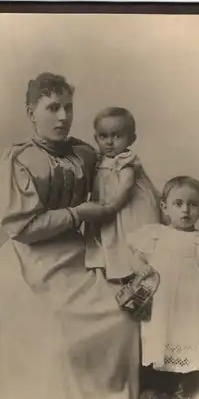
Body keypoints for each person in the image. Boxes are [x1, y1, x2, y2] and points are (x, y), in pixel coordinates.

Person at [0, 73, 140, 399]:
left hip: (79, 256)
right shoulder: (16, 160)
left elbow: (120, 191)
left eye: (68, 108)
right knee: (56, 340)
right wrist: (79, 214)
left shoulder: (86, 153)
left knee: (121, 320)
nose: (62, 117)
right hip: (29, 261)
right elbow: (24, 228)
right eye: (52, 108)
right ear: (32, 112)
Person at [127, 176, 199, 397]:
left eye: (193, 204)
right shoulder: (156, 235)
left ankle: (192, 386)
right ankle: (160, 388)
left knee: (191, 338)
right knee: (161, 338)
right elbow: (136, 257)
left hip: (192, 303)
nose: (185, 210)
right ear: (164, 207)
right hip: (163, 301)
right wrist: (142, 269)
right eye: (178, 204)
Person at [85, 107, 161, 282]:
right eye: (103, 136)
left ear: (131, 139)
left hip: (127, 206)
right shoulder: (100, 160)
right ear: (96, 138)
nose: (110, 142)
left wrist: (112, 207)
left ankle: (138, 274)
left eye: (117, 136)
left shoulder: (125, 159)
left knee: (129, 239)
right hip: (109, 205)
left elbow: (126, 185)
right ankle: (118, 274)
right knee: (110, 237)